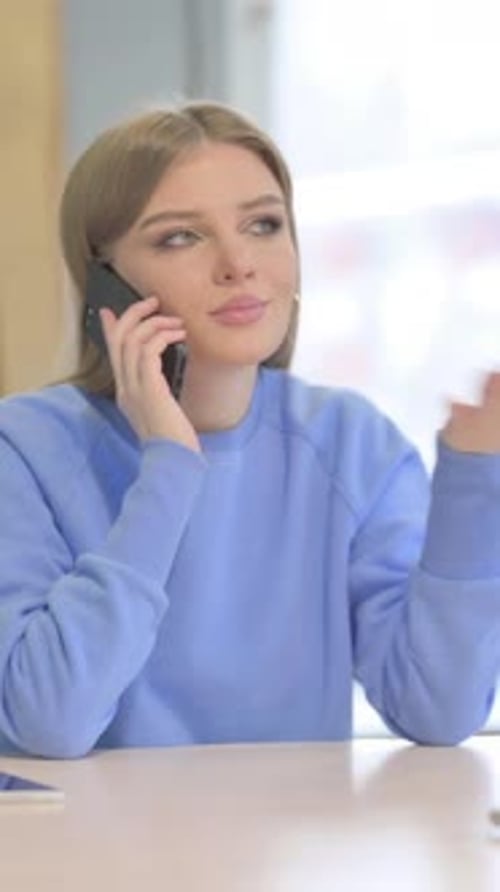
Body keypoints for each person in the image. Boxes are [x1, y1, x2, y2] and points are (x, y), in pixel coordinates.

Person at [0, 101, 499, 759]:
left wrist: (474, 483)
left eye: (263, 224)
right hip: (89, 857)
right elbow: (47, 722)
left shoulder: (352, 443)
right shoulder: (25, 449)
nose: (239, 263)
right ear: (105, 285)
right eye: (180, 236)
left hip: (286, 854)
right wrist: (170, 465)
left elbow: (437, 709)